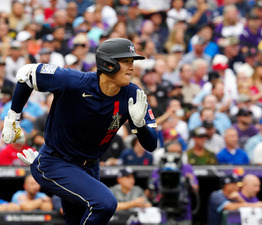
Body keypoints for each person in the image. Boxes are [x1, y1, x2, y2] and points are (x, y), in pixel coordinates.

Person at [2, 38, 158, 225]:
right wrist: (12, 119)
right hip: (55, 162)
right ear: (108, 64)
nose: (131, 67)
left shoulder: (133, 93)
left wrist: (140, 124)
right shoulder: (74, 81)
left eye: (132, 62)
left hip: (89, 167)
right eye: (126, 61)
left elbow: (151, 144)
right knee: (105, 204)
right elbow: (26, 74)